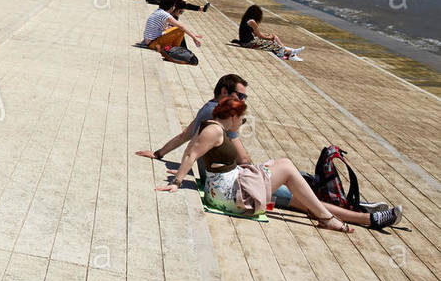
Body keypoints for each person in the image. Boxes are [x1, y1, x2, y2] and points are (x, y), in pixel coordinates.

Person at [156, 96, 402, 231]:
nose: (241, 124)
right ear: (232, 116)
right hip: (229, 194)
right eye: (241, 119)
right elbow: (191, 154)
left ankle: (366, 218)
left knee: (302, 199)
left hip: (229, 187)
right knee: (285, 166)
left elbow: (192, 149)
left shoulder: (215, 128)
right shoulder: (215, 131)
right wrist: (176, 182)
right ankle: (329, 219)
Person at [238, 4, 304, 60]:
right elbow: (259, 36)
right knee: (273, 44)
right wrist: (270, 38)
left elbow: (255, 33)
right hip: (248, 43)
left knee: (273, 38)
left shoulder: (246, 19)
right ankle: (291, 55)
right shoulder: (252, 21)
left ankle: (291, 51)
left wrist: (269, 35)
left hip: (245, 41)